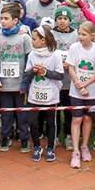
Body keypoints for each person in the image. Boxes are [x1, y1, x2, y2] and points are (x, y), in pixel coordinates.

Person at [22, 25, 64, 162]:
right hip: (35, 93)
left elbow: (60, 75)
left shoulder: (56, 54)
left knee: (51, 122)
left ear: (43, 40)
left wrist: (45, 72)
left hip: (50, 93)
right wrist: (33, 71)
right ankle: (37, 146)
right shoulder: (32, 55)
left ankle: (50, 147)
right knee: (32, 121)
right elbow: (27, 73)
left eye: (34, 39)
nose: (32, 41)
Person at [0, 3, 32, 152]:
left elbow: (30, 61)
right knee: (6, 113)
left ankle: (24, 138)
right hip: (4, 84)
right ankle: (5, 136)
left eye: (6, 18)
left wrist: (25, 82)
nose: (2, 21)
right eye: (1, 18)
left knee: (22, 113)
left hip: (20, 84)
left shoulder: (24, 38)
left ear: (15, 20)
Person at [65, 21, 95, 169]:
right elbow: (71, 67)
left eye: (84, 34)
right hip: (76, 91)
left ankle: (85, 146)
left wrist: (86, 85)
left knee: (87, 119)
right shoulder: (74, 48)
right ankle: (75, 150)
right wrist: (79, 84)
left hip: (92, 92)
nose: (81, 37)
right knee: (76, 119)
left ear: (92, 36)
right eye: (79, 34)